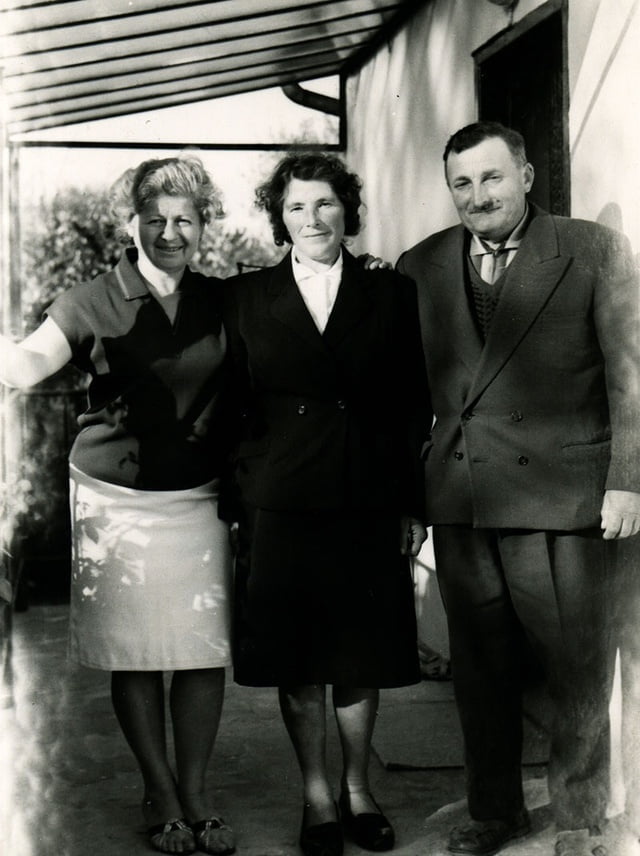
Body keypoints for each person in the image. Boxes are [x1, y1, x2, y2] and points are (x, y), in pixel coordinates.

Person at [396, 121, 640, 856]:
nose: (478, 195)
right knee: (480, 670)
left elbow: (631, 375)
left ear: (527, 177)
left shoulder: (591, 250)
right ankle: (494, 811)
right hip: (463, 499)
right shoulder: (421, 264)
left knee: (575, 668)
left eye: (492, 177)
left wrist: (627, 482)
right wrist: (412, 502)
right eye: (462, 183)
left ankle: (580, 818)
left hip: (562, 500)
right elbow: (406, 397)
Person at [0, 156, 237, 856]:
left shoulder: (225, 299)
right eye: (155, 219)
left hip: (200, 497)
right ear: (130, 223)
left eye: (185, 220)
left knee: (200, 651)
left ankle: (196, 792)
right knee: (136, 654)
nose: (170, 233)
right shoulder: (89, 300)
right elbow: (25, 367)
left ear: (204, 227)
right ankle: (159, 793)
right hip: (116, 499)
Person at [222, 152, 428, 856]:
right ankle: (316, 796)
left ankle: (358, 790)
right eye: (296, 207)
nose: (312, 219)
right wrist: (240, 498)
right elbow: (231, 405)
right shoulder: (245, 296)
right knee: (299, 657)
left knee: (360, 654)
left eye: (325, 204)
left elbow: (412, 404)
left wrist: (410, 504)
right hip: (280, 501)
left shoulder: (391, 292)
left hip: (367, 497)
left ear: (347, 211)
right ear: (280, 219)